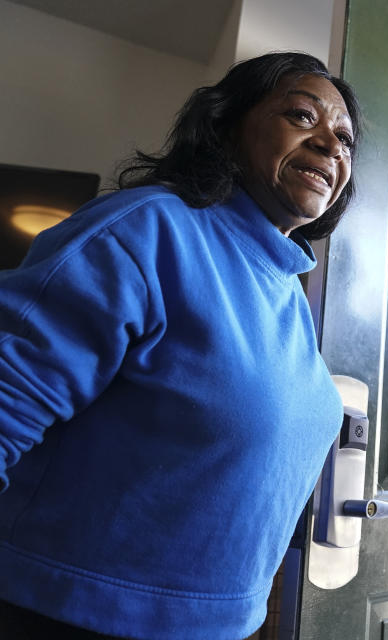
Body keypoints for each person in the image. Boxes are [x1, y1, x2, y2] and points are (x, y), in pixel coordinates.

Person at [0, 52, 361, 639]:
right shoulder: (144, 229)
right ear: (227, 125)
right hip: (65, 615)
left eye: (345, 139)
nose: (331, 145)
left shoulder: (287, 288)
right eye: (303, 116)